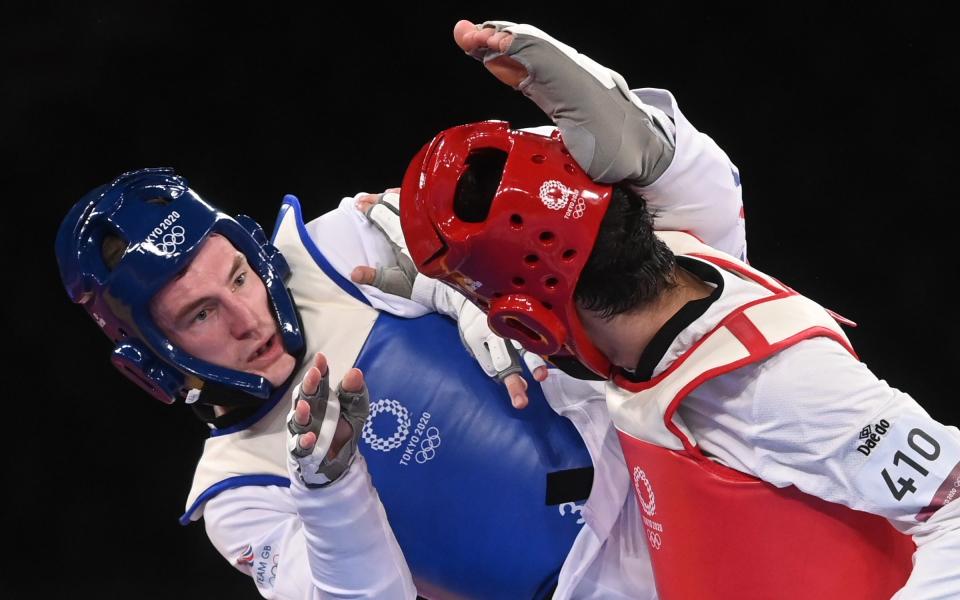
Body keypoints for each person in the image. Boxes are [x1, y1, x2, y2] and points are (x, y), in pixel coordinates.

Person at [396, 19, 960, 600]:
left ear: (528, 319)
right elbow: (677, 178)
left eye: (484, 300)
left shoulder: (770, 382)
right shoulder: (682, 258)